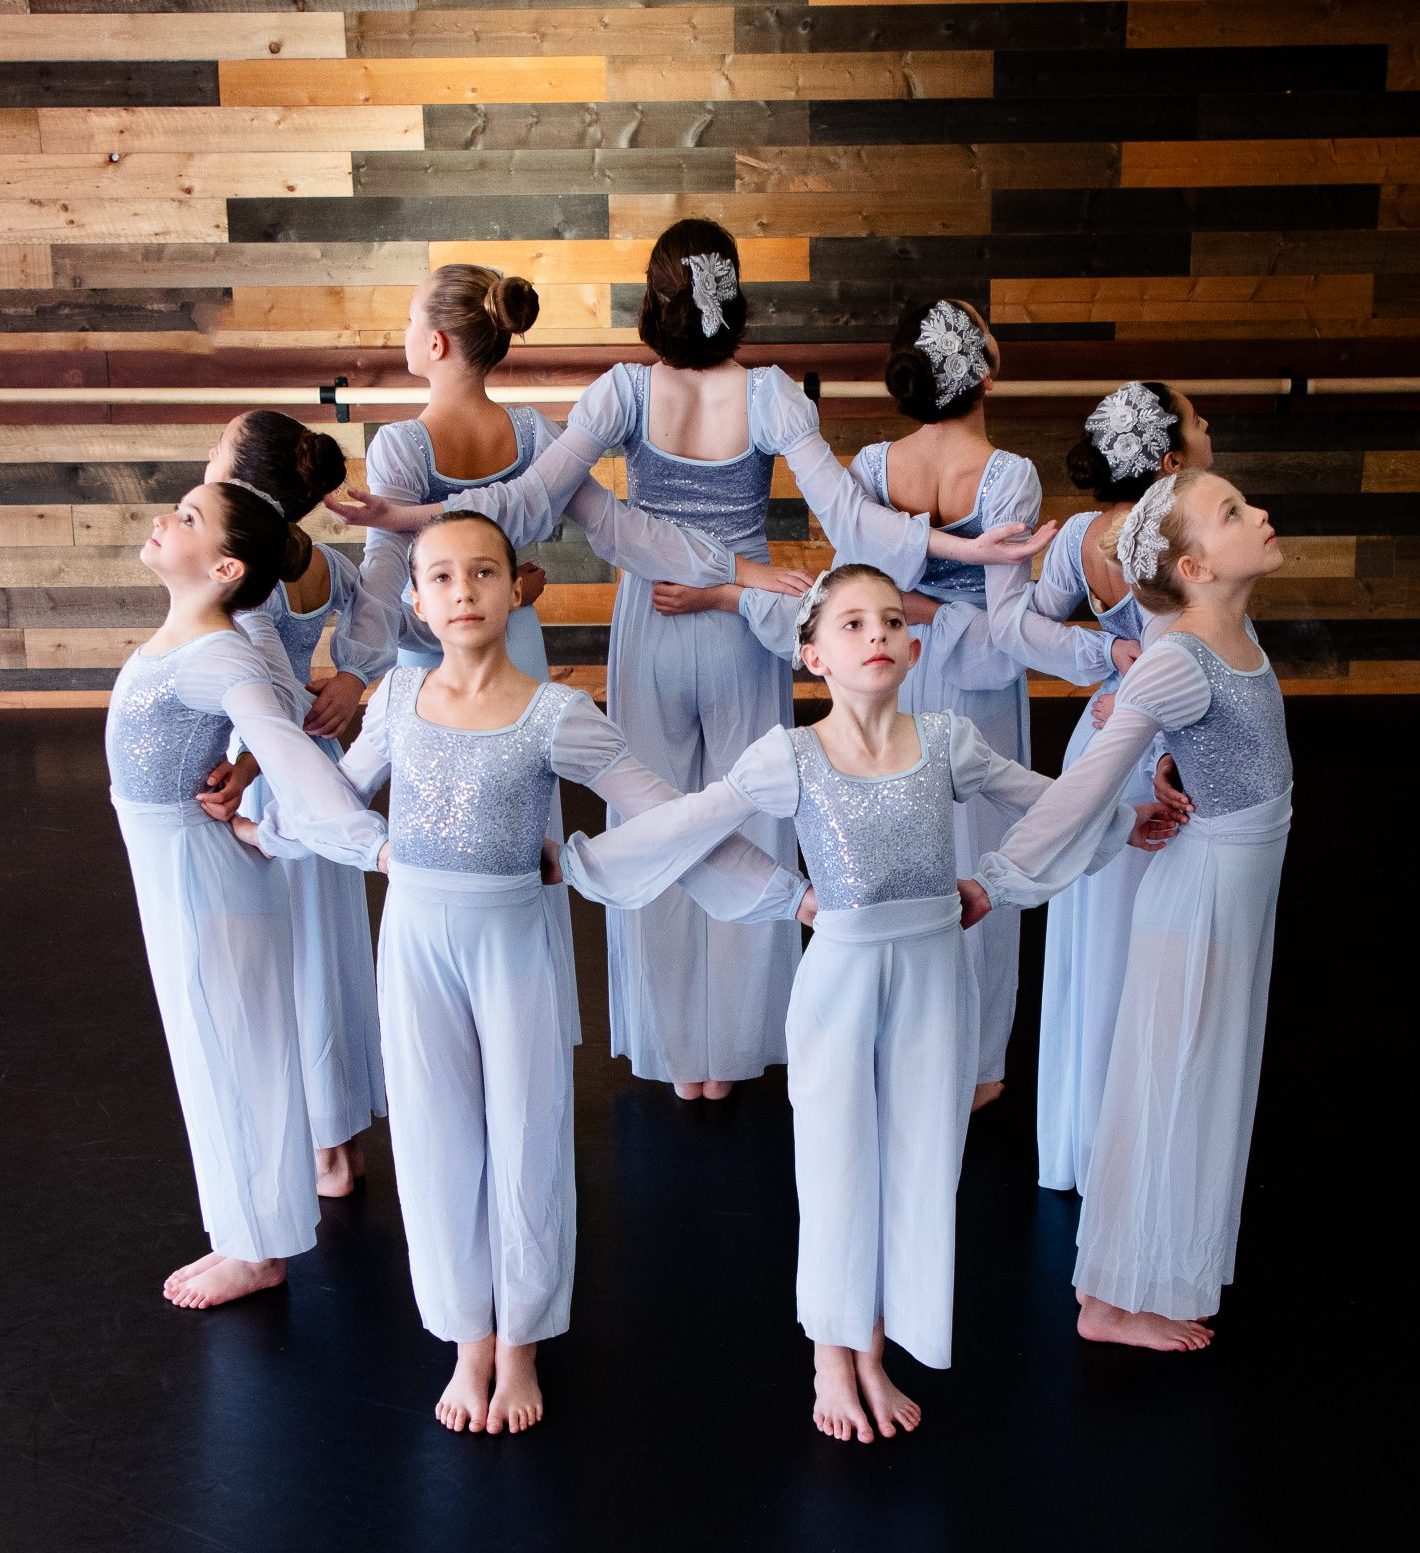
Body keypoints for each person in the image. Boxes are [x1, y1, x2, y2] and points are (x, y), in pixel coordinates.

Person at [555, 564, 1170, 1439]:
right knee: (838, 1163)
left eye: (890, 620)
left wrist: (1120, 819)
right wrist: (594, 863)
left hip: (931, 974)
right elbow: (690, 822)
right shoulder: (792, 753)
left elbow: (1044, 802)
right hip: (840, 980)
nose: (876, 633)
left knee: (921, 1162)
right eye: (850, 624)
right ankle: (829, 1358)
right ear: (813, 655)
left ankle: (875, 1347)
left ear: (914, 648)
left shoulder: (947, 740)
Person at [237, 512, 814, 1433]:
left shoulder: (557, 713)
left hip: (513, 944)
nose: (461, 592)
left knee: (527, 1133)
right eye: (441, 577)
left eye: (481, 574)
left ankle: (522, 1343)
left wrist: (789, 895)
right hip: (417, 939)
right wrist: (264, 829)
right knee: (434, 1135)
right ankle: (469, 1336)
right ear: (418, 599)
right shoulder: (395, 700)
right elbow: (332, 796)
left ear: (518, 587)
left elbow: (667, 814)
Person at [974, 470, 1291, 1351]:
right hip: (1202, 899)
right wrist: (999, 880)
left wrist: (1179, 769)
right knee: (1167, 1086)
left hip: (1239, 890)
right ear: (1193, 565)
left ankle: (1154, 1273)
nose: (1261, 512)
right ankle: (1106, 1298)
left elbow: (1224, 746)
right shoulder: (1176, 661)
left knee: (1204, 1086)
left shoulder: (1231, 628)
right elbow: (1083, 788)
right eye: (1235, 511)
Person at [106, 480, 387, 1310]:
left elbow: (292, 754)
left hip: (202, 878)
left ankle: (257, 1248)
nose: (164, 518)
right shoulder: (192, 634)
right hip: (175, 869)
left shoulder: (219, 654)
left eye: (187, 518)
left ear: (225, 565)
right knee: (214, 1052)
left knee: (233, 1054)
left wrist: (371, 844)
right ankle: (245, 1230)